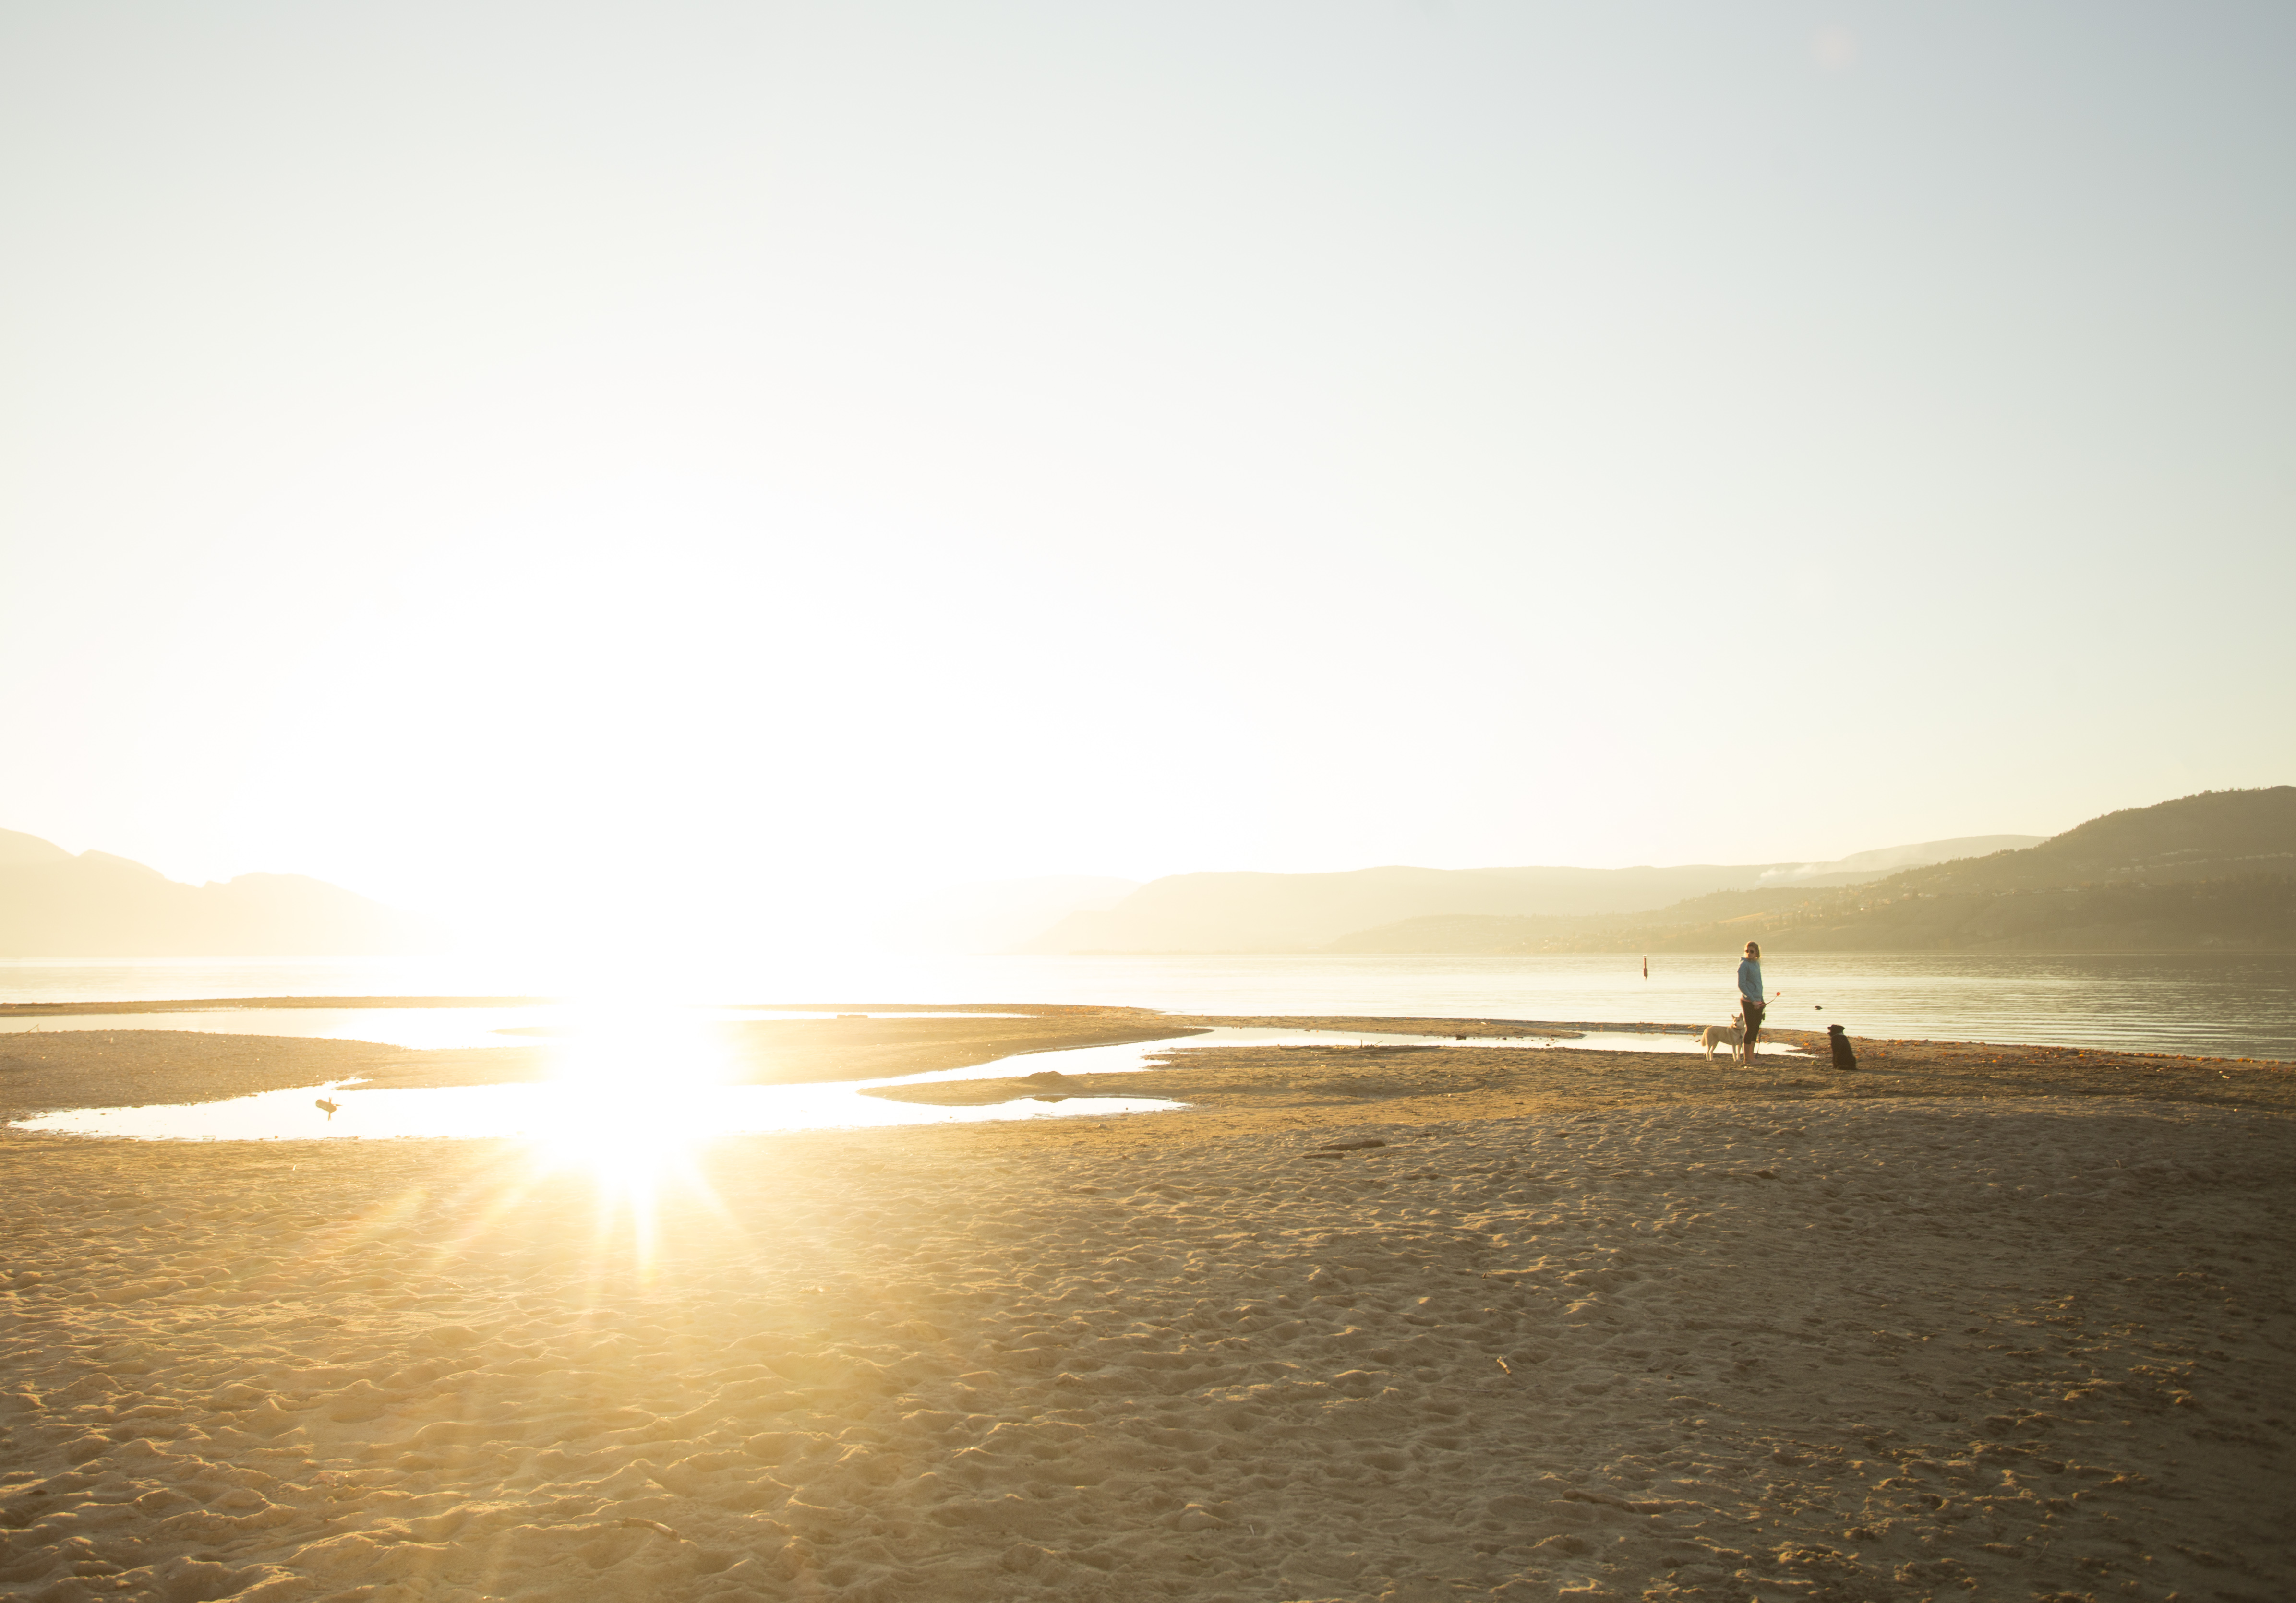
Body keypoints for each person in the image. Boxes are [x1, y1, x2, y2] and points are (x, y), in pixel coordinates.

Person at [1736, 941, 1767, 1063]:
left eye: (1752, 951)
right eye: (1747, 951)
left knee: (1755, 1029)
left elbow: (1758, 984)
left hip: (1758, 1000)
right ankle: (1747, 1058)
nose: (1749, 953)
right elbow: (1741, 985)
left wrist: (1761, 1000)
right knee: (1750, 1028)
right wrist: (1753, 1001)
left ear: (1757, 953)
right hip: (1748, 1001)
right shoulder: (1744, 965)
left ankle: (1751, 1057)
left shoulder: (1756, 964)